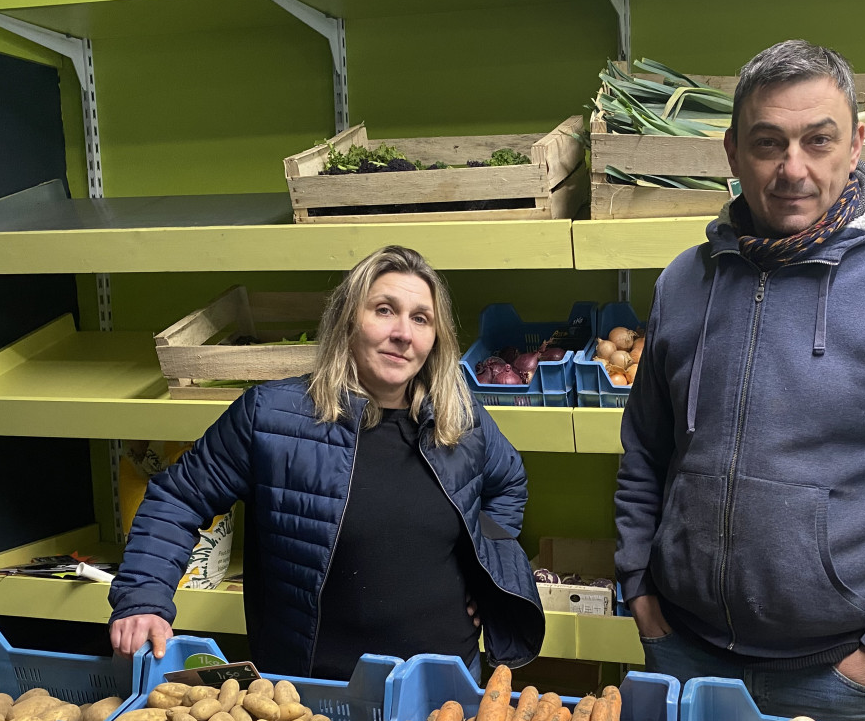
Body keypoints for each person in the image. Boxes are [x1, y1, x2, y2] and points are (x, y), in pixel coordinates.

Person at [615, 39, 865, 721]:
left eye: (817, 140)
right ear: (733, 154)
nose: (793, 168)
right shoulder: (684, 280)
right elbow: (646, 450)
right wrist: (640, 591)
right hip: (684, 655)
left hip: (838, 678)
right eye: (769, 143)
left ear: (855, 146)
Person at [108, 245, 545, 680]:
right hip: (312, 692)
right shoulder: (271, 416)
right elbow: (179, 497)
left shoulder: (461, 419)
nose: (403, 333)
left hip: (447, 680)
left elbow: (507, 484)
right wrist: (145, 596)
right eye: (384, 310)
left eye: (420, 318)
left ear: (435, 339)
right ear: (347, 321)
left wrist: (485, 569)